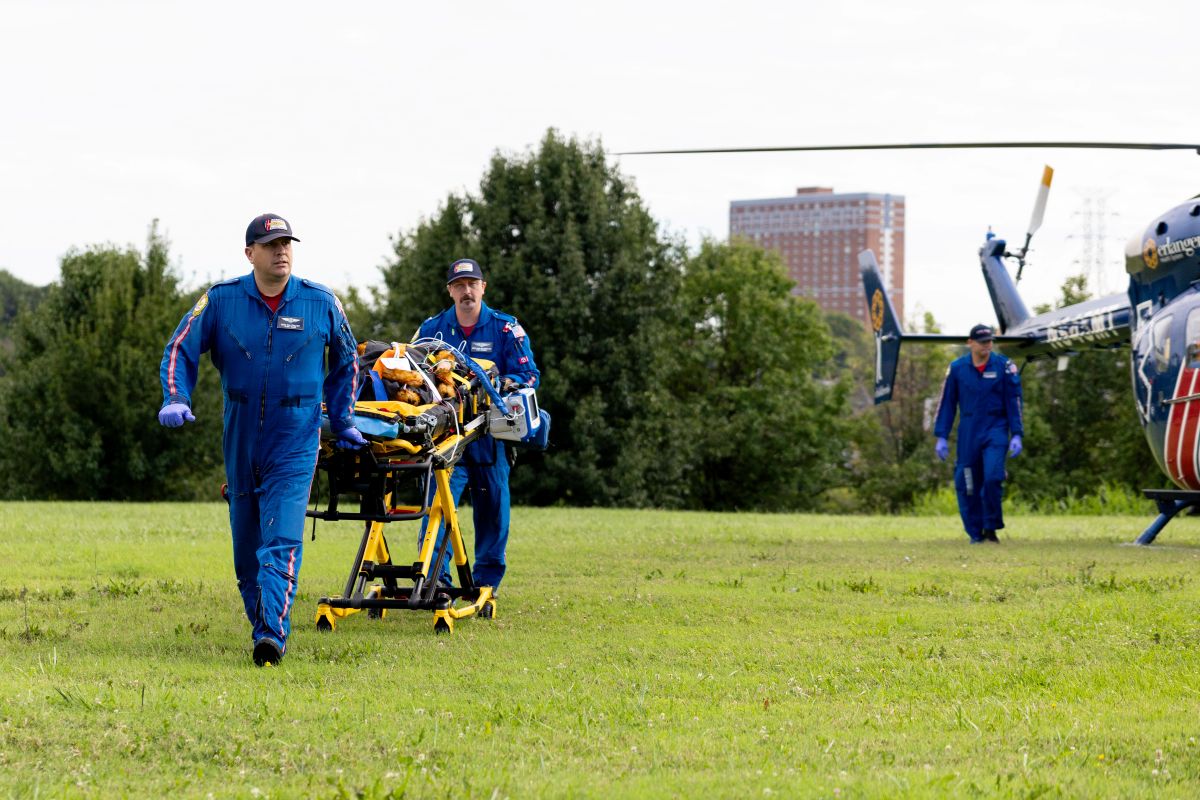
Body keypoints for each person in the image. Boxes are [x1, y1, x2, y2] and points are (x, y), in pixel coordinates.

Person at [157, 213, 366, 667]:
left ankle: (272, 634)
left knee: (282, 538)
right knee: (247, 550)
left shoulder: (321, 302)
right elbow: (180, 347)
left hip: (296, 433)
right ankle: (262, 623)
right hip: (240, 430)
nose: (282, 251)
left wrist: (344, 416)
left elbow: (349, 359)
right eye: (271, 245)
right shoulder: (220, 300)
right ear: (250, 253)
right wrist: (176, 395)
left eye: (287, 243)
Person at [414, 258, 540, 593]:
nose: (466, 291)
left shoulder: (505, 328)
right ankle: (436, 580)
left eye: (472, 283)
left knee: (493, 510)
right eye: (459, 285)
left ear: (483, 287)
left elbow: (529, 376)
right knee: (437, 508)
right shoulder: (432, 329)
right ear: (450, 291)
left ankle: (486, 583)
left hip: (488, 436)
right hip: (446, 438)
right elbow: (414, 376)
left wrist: (501, 380)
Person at [933, 323, 1023, 543]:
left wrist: (1017, 433)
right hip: (969, 430)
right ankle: (975, 533)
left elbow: (1014, 401)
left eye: (990, 341)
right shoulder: (957, 369)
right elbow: (947, 404)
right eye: (983, 342)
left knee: (993, 477)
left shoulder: (1004, 367)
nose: (988, 346)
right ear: (970, 343)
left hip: (996, 429)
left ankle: (990, 528)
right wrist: (941, 436)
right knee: (967, 483)